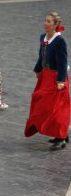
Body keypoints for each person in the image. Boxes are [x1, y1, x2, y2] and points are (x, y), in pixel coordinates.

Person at [25, 12, 70, 151]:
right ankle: (61, 134)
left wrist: (61, 80)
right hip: (45, 76)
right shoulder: (43, 38)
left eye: (49, 21)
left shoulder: (59, 41)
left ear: (56, 25)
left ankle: (61, 138)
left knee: (56, 109)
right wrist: (37, 69)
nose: (46, 23)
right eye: (45, 20)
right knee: (40, 103)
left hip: (56, 78)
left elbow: (63, 62)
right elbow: (41, 56)